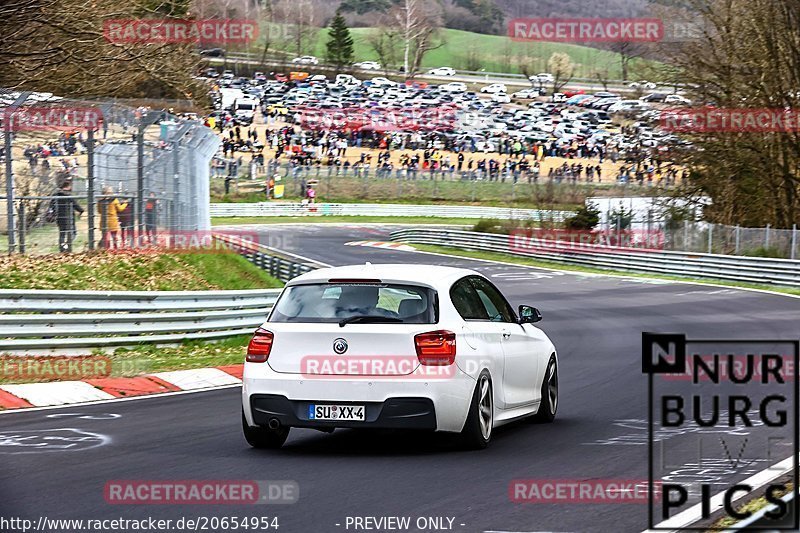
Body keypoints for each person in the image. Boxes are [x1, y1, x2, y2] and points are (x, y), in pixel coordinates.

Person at [52, 179, 84, 253]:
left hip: (59, 217)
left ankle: (62, 249)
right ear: (68, 187)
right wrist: (81, 210)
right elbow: (75, 205)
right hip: (69, 218)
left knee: (62, 234)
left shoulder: (56, 195)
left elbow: (52, 205)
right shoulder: (68, 196)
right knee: (73, 233)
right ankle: (66, 246)